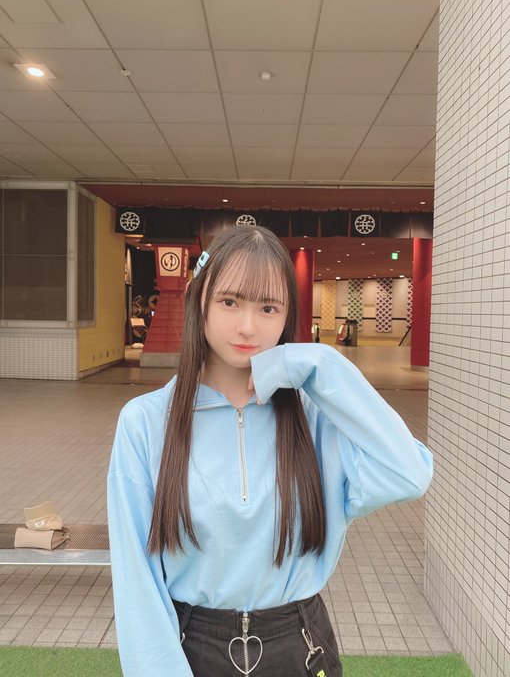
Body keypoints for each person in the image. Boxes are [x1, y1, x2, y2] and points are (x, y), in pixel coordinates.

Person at [107, 225, 433, 677]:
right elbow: (136, 578)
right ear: (199, 301)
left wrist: (320, 365)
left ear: (286, 316)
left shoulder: (316, 420)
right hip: (190, 649)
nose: (248, 326)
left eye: (268, 307)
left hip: (300, 647)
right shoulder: (145, 422)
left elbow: (410, 473)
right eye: (229, 302)